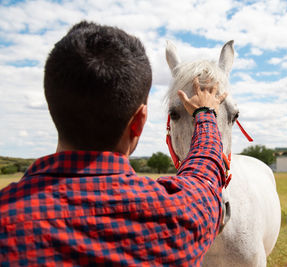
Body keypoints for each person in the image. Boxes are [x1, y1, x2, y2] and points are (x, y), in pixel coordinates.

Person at [0, 21, 227, 266]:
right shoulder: (179, 216)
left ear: (52, 108)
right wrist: (205, 114)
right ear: (139, 122)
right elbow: (204, 178)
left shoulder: (7, 219)